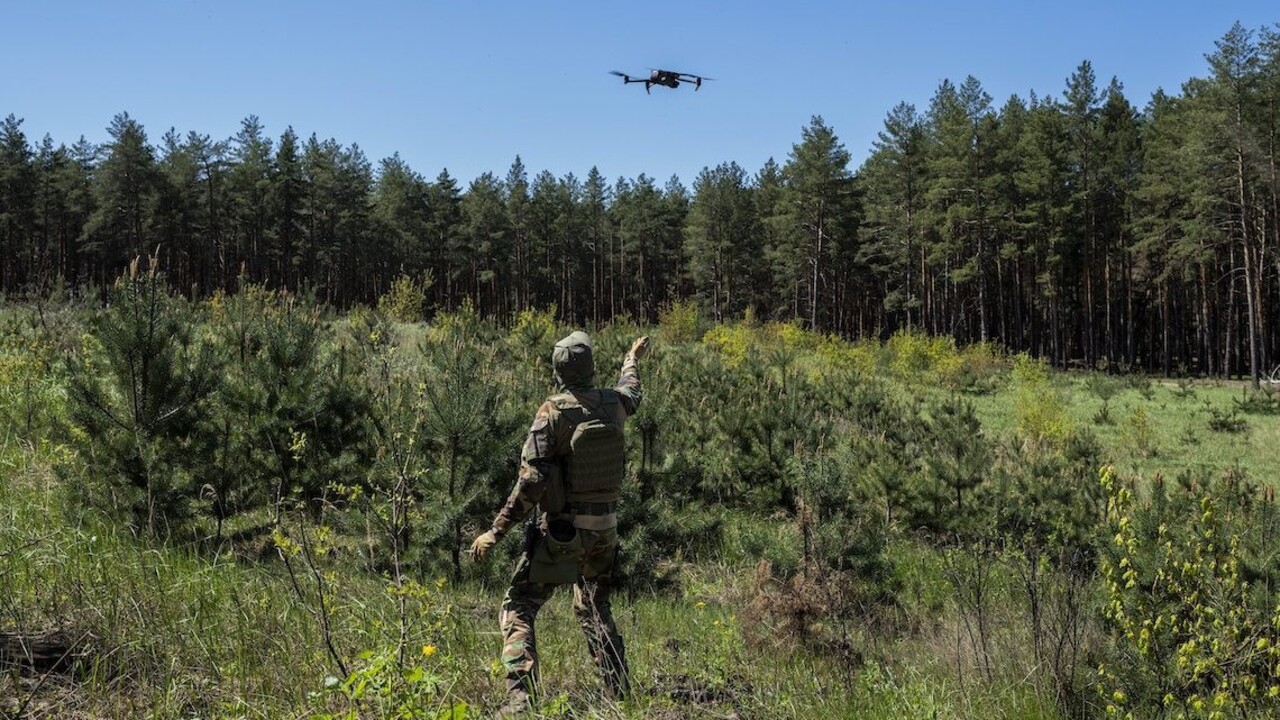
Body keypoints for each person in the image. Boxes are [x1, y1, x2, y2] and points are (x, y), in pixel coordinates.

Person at [470, 331, 649, 716]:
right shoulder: (614, 404)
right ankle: (620, 696)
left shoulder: (552, 412)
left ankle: (520, 703)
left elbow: (530, 482)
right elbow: (631, 389)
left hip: (562, 534)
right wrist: (631, 358)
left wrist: (495, 531)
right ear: (590, 367)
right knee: (595, 609)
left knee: (518, 606)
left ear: (557, 371)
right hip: (605, 531)